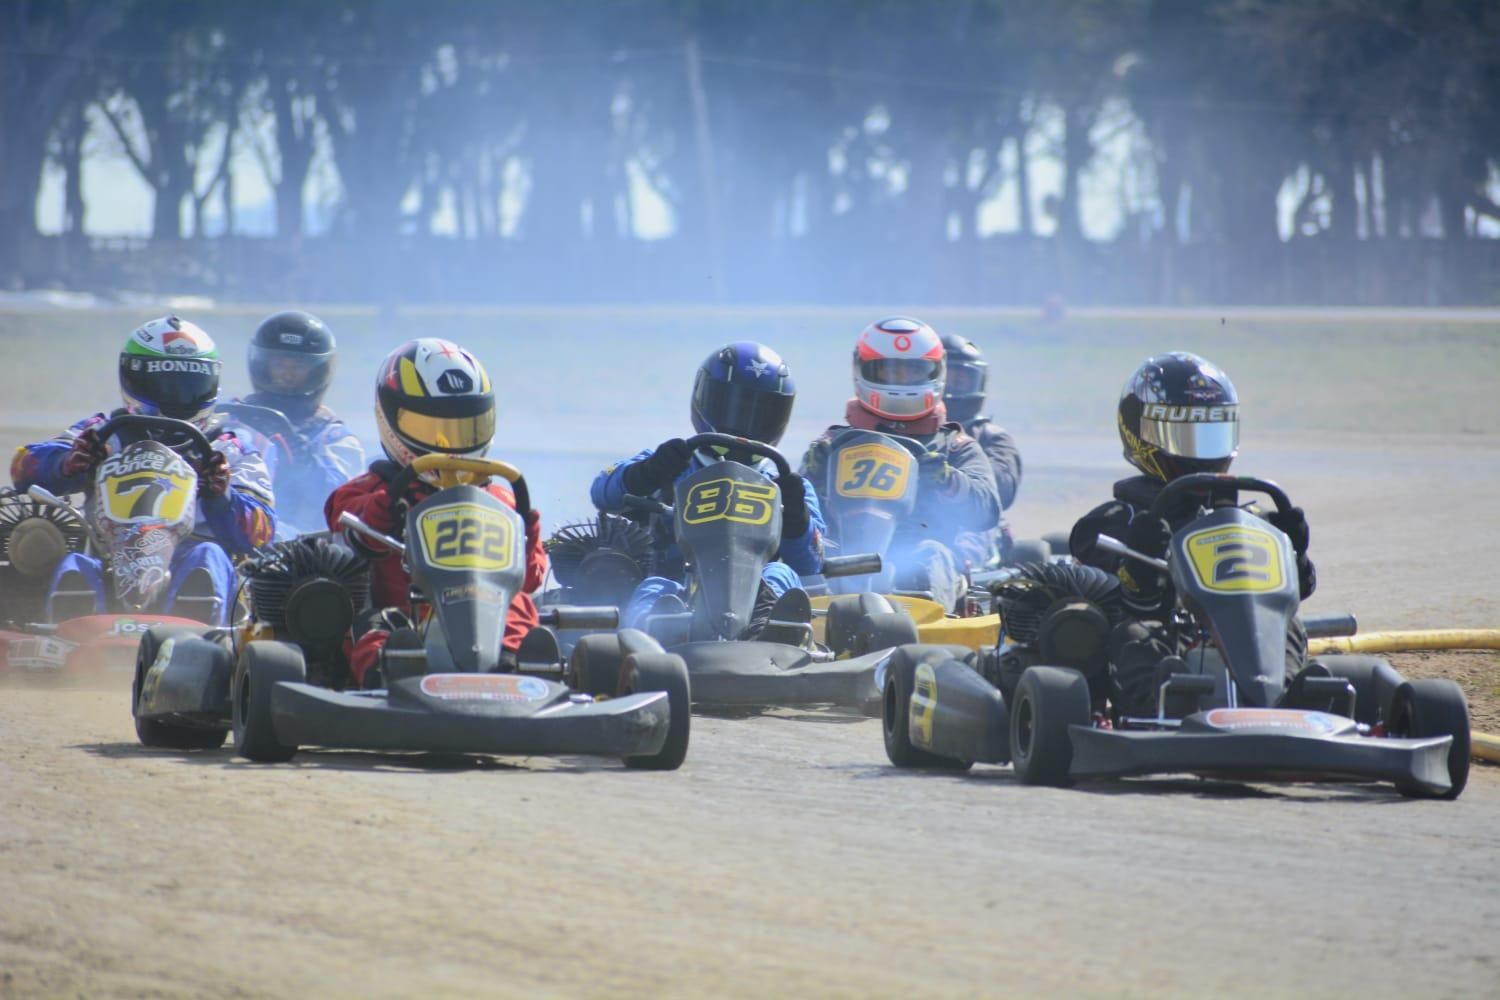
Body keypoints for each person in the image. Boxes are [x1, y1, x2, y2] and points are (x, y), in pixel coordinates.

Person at [1068, 351, 1316, 716]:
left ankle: (1287, 699)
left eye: (1211, 434)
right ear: (1142, 433)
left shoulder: (1248, 520)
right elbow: (1110, 599)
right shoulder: (1115, 520)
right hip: (1167, 639)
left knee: (1290, 627)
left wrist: (1295, 556)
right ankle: (1163, 705)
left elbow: (1296, 595)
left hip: (1243, 638)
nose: (1200, 453)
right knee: (1135, 636)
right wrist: (1138, 570)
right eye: (1185, 436)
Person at [9, 316, 276, 625]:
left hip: (191, 555)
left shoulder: (229, 448)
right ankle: (68, 634)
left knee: (208, 559)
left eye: (189, 387)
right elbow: (23, 465)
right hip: (109, 557)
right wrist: (67, 463)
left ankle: (197, 634)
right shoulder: (104, 433)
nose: (176, 396)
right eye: (164, 385)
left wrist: (222, 496)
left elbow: (262, 532)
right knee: (74, 565)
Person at [325, 338, 545, 687]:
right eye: (433, 429)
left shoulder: (502, 498)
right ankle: (389, 677)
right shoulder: (368, 490)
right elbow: (348, 530)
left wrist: (528, 537)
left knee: (519, 607)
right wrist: (384, 511)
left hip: (488, 614)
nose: (451, 446)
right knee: (372, 626)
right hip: (408, 618)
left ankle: (512, 665)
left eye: (465, 428)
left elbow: (531, 581)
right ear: (389, 419)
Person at [590, 342, 824, 633]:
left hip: (753, 592)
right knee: (654, 587)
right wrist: (644, 475)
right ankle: (651, 638)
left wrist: (795, 519)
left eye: (760, 414)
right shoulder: (673, 463)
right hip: (681, 587)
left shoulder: (785, 483)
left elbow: (812, 562)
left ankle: (769, 631)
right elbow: (601, 490)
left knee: (782, 573)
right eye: (734, 408)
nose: (744, 425)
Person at [800, 317, 1001, 611]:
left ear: (934, 373)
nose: (901, 381)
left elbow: (988, 509)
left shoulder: (954, 447)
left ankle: (920, 625)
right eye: (890, 372)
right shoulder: (833, 444)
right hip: (844, 556)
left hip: (919, 555)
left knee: (928, 557)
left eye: (912, 372)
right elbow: (792, 515)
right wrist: (811, 476)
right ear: (863, 370)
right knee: (801, 561)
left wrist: (948, 481)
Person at [223, 311, 363, 534]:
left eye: (298, 367)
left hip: (302, 550)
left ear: (318, 370)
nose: (288, 376)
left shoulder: (333, 436)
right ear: (262, 365)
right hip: (232, 531)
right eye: (279, 365)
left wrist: (302, 455)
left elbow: (341, 501)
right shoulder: (234, 419)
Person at [940, 332, 1023, 566]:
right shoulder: (906, 433)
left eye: (961, 380)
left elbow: (1000, 493)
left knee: (971, 527)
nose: (952, 388)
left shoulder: (992, 438)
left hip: (970, 523)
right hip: (918, 518)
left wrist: (945, 472)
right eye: (947, 380)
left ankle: (952, 571)